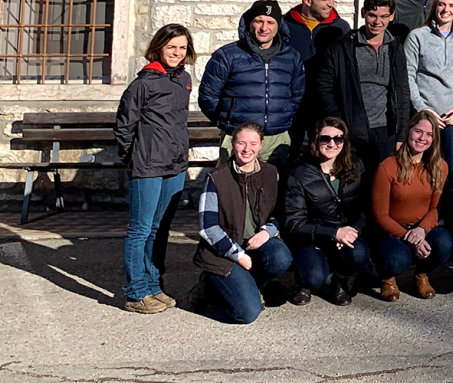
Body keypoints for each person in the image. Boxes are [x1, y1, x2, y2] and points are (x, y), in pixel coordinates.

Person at [116, 24, 196, 315]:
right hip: (147, 167)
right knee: (140, 230)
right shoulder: (143, 84)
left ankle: (152, 284)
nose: (177, 52)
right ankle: (135, 292)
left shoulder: (183, 79)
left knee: (159, 229)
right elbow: (124, 127)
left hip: (174, 167)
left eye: (182, 47)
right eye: (171, 46)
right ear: (159, 47)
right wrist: (133, 158)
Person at [192, 122, 293, 324]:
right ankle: (211, 290)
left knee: (281, 257)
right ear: (233, 145)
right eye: (241, 143)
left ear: (261, 144)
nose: (247, 149)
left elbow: (280, 212)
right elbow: (208, 227)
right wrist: (238, 255)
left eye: (253, 143)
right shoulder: (217, 177)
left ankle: (249, 284)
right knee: (247, 314)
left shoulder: (271, 173)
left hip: (254, 243)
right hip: (223, 252)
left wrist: (268, 231)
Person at [315, 0, 413, 171]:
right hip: (351, 131)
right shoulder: (341, 48)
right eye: (372, 15)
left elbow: (402, 91)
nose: (377, 22)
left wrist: (401, 135)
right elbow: (323, 90)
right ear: (363, 13)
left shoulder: (395, 48)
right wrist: (341, 122)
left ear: (391, 16)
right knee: (353, 187)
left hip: (386, 131)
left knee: (382, 186)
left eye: (384, 16)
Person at [199, 0, 306, 164]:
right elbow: (208, 96)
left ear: (279, 25)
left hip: (276, 139)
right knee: (232, 187)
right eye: (258, 21)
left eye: (270, 22)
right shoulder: (226, 55)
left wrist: (280, 118)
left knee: (274, 187)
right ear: (249, 23)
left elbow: (297, 95)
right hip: (237, 137)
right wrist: (227, 122)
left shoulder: (291, 57)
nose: (264, 28)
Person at [284, 117, 372, 307]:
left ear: (344, 141)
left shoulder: (356, 166)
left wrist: (351, 231)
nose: (332, 144)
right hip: (311, 238)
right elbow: (294, 222)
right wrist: (334, 233)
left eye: (338, 139)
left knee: (359, 255)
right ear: (315, 140)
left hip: (345, 233)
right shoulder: (299, 172)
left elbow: (365, 208)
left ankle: (339, 281)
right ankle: (304, 282)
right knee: (314, 277)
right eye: (325, 139)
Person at [370, 110, 453, 302]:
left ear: (435, 139)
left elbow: (435, 209)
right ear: (408, 132)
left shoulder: (440, 166)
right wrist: (409, 236)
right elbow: (380, 215)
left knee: (445, 242)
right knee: (396, 259)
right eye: (418, 131)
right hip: (392, 231)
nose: (422, 138)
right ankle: (388, 278)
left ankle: (421, 275)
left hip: (421, 228)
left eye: (429, 134)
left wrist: (422, 231)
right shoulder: (387, 166)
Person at [404, 0, 453, 207]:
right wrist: (422, 108)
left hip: (452, 118)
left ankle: (448, 224)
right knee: (423, 174)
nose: (446, 9)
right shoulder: (417, 37)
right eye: (442, 4)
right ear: (435, 7)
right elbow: (408, 76)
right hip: (425, 116)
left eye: (452, 5)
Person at [283, 0, 350, 67]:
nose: (331, 4)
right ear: (307, 1)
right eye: (325, 0)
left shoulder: (341, 27)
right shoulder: (284, 25)